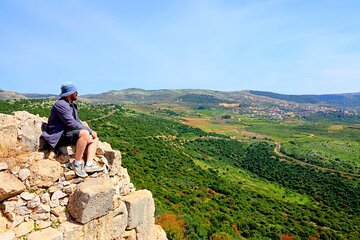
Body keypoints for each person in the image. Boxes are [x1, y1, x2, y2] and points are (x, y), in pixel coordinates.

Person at [42, 82, 103, 177]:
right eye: (76, 92)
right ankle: (77, 164)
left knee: (95, 139)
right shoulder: (61, 104)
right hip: (58, 135)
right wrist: (89, 131)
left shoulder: (71, 104)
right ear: (70, 93)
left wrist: (91, 131)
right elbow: (71, 123)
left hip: (67, 132)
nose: (77, 94)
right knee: (85, 134)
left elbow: (77, 121)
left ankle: (89, 164)